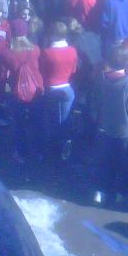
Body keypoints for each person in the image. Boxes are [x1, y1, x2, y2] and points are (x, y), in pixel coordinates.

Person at [92, 45, 128, 205]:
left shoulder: (102, 78)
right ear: (127, 62)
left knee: (106, 162)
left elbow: (97, 100)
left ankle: (101, 191)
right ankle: (121, 193)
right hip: (126, 131)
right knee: (125, 163)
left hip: (107, 127)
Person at [0, 19, 43, 162]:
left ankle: (21, 153)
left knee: (19, 124)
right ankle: (38, 153)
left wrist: (0, 94)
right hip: (36, 90)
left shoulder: (6, 53)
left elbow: (1, 76)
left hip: (17, 92)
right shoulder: (36, 49)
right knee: (37, 122)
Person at [39, 21, 78, 160]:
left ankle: (55, 149)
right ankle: (64, 146)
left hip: (51, 89)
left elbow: (42, 70)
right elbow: (73, 69)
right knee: (65, 120)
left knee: (52, 120)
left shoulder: (47, 52)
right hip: (67, 89)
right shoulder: (72, 50)